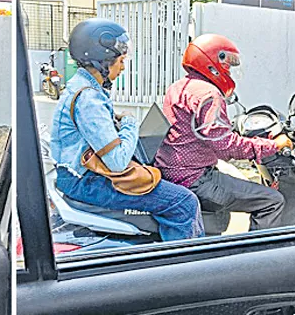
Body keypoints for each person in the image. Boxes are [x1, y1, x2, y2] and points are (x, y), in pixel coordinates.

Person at [51, 18, 204, 241]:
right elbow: (118, 162)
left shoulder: (85, 88)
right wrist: (130, 124)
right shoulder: (89, 99)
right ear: (102, 61)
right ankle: (182, 269)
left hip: (79, 176)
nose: (122, 67)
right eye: (120, 61)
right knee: (183, 203)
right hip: (85, 182)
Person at [155, 34, 292, 230]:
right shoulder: (209, 94)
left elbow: (199, 130)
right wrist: (273, 145)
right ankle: (258, 258)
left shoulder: (178, 87)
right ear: (212, 63)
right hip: (195, 179)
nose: (228, 71)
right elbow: (224, 146)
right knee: (272, 201)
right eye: (227, 65)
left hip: (173, 171)